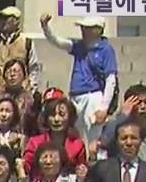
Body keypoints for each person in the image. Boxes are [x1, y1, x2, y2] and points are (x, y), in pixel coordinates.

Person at [40, 13, 118, 145]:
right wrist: (45, 27)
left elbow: (111, 80)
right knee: (76, 136)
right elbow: (57, 42)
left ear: (97, 30)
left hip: (93, 96)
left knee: (94, 136)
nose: (83, 31)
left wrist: (104, 108)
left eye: (87, 28)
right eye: (82, 27)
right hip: (75, 97)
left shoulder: (106, 49)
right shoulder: (79, 46)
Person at [99, 85, 146, 178]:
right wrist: (122, 115)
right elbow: (104, 141)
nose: (142, 106)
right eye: (138, 102)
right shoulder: (118, 127)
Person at [0, 4, 41, 100]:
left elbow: (34, 69)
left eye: (5, 18)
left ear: (16, 21)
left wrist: (30, 91)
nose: (1, 21)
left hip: (20, 97)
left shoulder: (26, 42)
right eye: (0, 19)